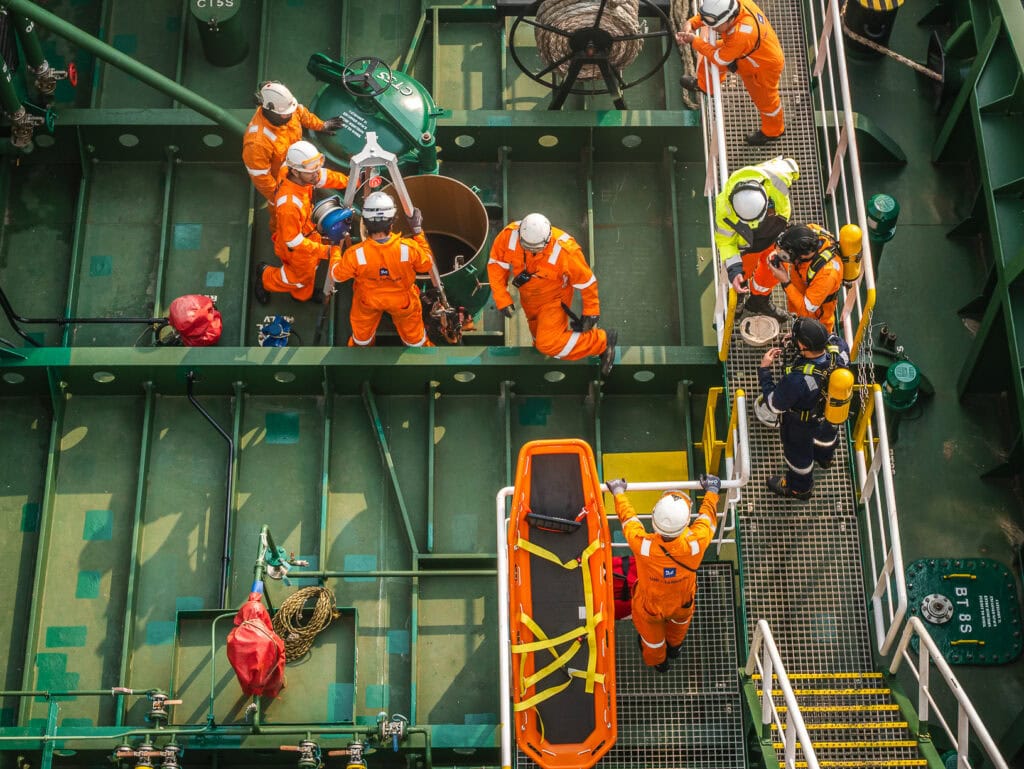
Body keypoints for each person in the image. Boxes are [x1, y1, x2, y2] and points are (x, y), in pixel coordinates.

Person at [604, 474, 721, 672]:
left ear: (654, 519)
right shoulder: (696, 543)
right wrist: (712, 490)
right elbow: (707, 519)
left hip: (650, 608)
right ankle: (675, 647)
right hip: (682, 602)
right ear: (685, 523)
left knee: (653, 643)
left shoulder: (643, 546)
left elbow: (629, 520)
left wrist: (618, 492)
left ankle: (659, 663)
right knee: (679, 626)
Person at [487, 214, 617, 375]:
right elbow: (496, 264)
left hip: (554, 300)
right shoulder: (509, 235)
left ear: (547, 240)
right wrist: (502, 298)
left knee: (547, 343)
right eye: (526, 247)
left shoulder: (565, 250)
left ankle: (602, 342)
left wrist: (591, 311)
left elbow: (586, 281)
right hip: (529, 300)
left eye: (536, 249)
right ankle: (547, 352)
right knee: (538, 339)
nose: (530, 251)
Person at [757, 317, 850, 500]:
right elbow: (832, 339)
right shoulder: (840, 350)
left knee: (798, 457)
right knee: (826, 440)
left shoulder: (797, 381)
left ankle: (800, 489)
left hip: (800, 425)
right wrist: (797, 339)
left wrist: (765, 370)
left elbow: (774, 405)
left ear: (803, 345)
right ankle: (825, 459)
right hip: (829, 416)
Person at [327, 191, 435, 348]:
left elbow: (336, 275)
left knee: (362, 337)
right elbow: (426, 264)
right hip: (403, 302)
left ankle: (362, 349)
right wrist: (418, 231)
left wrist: (336, 246)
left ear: (365, 222)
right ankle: (417, 348)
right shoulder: (409, 248)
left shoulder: (355, 254)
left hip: (368, 301)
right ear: (392, 221)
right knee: (414, 337)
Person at [676, 0, 786, 146]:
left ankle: (773, 131)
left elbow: (720, 58)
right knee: (709, 62)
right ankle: (706, 86)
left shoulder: (743, 32)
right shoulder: (732, 6)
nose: (712, 28)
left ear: (729, 19)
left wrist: (694, 41)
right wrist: (691, 23)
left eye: (715, 25)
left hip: (762, 67)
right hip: (744, 52)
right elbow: (711, 16)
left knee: (766, 101)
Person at [242, 81, 344, 236]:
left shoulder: (287, 109)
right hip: (280, 183)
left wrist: (322, 125)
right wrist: (280, 196)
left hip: (300, 169)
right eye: (286, 114)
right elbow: (261, 177)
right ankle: (280, 235)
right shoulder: (257, 142)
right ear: (269, 109)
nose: (290, 115)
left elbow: (303, 115)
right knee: (281, 217)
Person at [253, 140, 348, 304]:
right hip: (297, 247)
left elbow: (323, 177)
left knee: (310, 269)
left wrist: (349, 181)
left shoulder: (293, 172)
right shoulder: (289, 205)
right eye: (312, 172)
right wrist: (324, 251)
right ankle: (265, 277)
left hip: (307, 233)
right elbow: (293, 241)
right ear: (296, 172)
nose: (316, 174)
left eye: (317, 168)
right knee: (297, 278)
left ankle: (303, 294)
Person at [714, 157, 800, 323]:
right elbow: (726, 242)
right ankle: (739, 298)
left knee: (772, 272)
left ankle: (759, 301)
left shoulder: (778, 175)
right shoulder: (724, 210)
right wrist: (734, 271)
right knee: (743, 272)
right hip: (748, 246)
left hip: (776, 236)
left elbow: (792, 167)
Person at [763, 224, 844, 332]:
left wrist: (785, 282)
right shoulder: (810, 231)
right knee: (797, 314)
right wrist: (778, 253)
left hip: (816, 315)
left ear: (801, 256)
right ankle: (796, 326)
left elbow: (807, 310)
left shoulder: (827, 274)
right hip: (801, 285)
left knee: (811, 334)